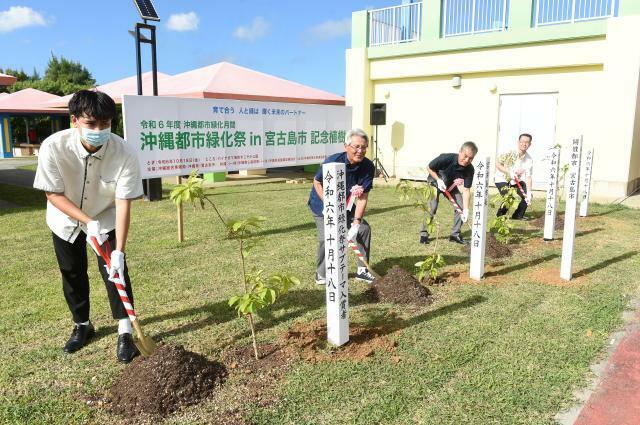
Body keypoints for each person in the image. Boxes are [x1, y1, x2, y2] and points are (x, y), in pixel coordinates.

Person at [33, 90, 144, 363]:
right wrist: (87, 221)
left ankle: (125, 331)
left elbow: (123, 203)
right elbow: (52, 193)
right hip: (66, 217)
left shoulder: (125, 153)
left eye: (105, 124)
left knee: (115, 272)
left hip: (105, 215)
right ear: (75, 120)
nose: (99, 130)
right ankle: (82, 325)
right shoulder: (53, 147)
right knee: (72, 271)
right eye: (91, 124)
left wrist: (119, 250)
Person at [308, 128, 376, 285]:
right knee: (328, 236)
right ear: (346, 146)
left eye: (364, 147)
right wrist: (329, 202)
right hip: (323, 205)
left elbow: (363, 196)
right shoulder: (333, 161)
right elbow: (317, 181)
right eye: (356, 147)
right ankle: (321, 273)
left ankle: (362, 271)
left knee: (364, 230)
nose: (360, 150)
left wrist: (357, 222)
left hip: (347, 204)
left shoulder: (368, 167)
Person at [420, 141, 477, 245]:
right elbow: (429, 167)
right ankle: (424, 233)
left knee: (460, 206)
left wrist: (466, 210)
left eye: (471, 158)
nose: (467, 160)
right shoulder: (446, 158)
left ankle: (455, 235)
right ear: (460, 151)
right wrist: (438, 180)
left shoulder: (470, 169)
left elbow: (466, 190)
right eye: (465, 156)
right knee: (432, 207)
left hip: (451, 186)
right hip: (435, 182)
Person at [494, 133, 533, 220]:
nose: (524, 144)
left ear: (530, 144)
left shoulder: (529, 159)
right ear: (518, 142)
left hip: (516, 181)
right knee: (509, 196)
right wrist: (508, 172)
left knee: (527, 194)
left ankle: (518, 215)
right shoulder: (509, 152)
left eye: (527, 142)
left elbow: (528, 177)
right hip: (502, 179)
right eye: (522, 141)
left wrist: (529, 192)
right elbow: (497, 164)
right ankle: (500, 216)